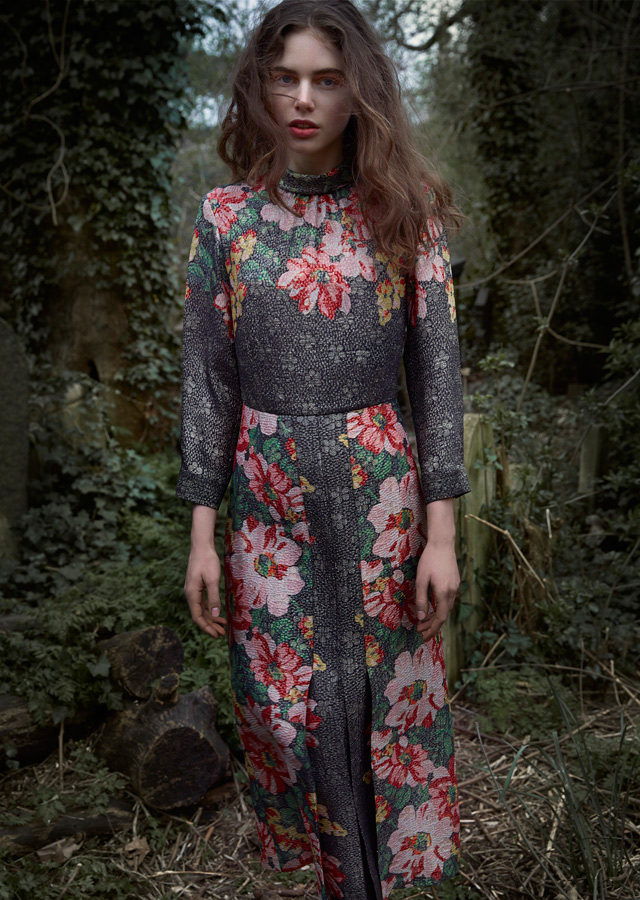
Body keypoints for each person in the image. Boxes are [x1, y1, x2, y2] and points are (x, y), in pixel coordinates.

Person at [176, 1, 470, 897]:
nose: (303, 99)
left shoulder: (406, 213)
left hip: (383, 496)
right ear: (258, 88)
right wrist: (200, 534)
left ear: (359, 92)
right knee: (285, 710)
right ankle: (336, 878)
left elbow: (439, 381)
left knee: (384, 703)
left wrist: (443, 535)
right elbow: (208, 383)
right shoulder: (226, 219)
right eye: (285, 78)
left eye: (327, 80)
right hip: (265, 506)